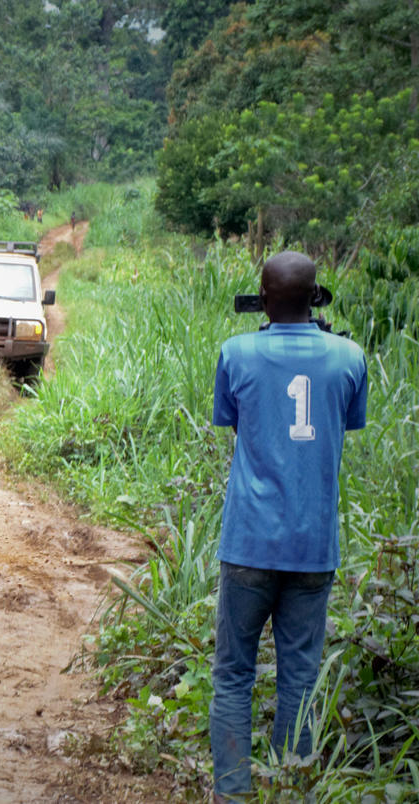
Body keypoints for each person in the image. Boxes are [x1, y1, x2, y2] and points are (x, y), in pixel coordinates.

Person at [209, 251, 368, 801]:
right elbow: (344, 424)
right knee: (299, 679)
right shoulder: (350, 357)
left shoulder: (236, 353)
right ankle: (288, 790)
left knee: (233, 676)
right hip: (312, 546)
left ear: (264, 298)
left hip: (249, 542)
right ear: (315, 296)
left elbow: (234, 423)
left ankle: (232, 794)